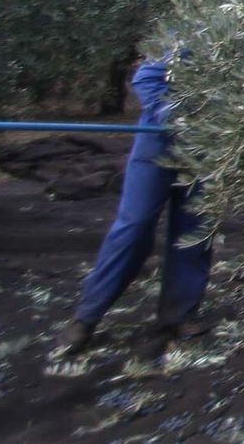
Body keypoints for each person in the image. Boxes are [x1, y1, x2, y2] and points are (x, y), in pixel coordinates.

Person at [55, 55, 212, 356]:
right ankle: (86, 318)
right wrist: (180, 120)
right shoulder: (190, 32)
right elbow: (147, 78)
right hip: (158, 148)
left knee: (196, 231)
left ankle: (180, 314)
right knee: (134, 226)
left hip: (208, 152)